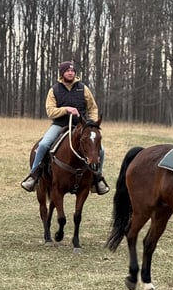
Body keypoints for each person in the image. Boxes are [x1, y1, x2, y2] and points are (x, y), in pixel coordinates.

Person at [21, 60, 109, 195]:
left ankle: (97, 178)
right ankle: (34, 176)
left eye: (72, 71)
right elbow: (50, 111)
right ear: (62, 73)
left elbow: (93, 108)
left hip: (81, 126)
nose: (70, 73)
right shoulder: (54, 90)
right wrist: (66, 109)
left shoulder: (83, 88)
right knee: (44, 145)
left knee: (101, 151)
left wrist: (90, 123)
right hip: (60, 125)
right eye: (68, 71)